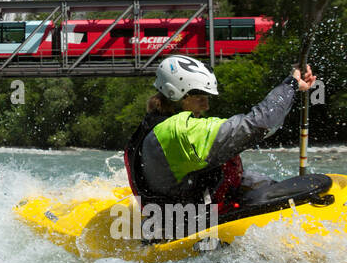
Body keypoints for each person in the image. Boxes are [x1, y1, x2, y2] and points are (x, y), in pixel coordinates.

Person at [123, 55, 317, 230]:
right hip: (194, 229)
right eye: (199, 97)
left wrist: (278, 188)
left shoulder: (153, 125)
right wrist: (290, 85)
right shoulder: (180, 132)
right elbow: (260, 124)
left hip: (171, 222)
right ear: (176, 94)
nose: (206, 105)